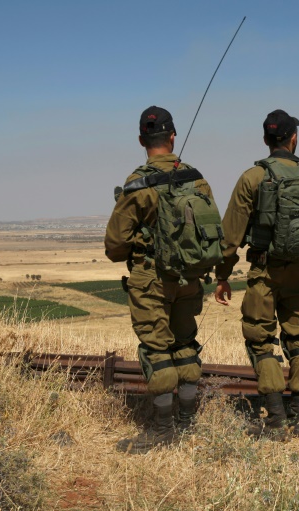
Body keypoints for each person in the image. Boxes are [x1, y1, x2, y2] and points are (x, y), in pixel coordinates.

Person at [214, 109, 299, 439]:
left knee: (261, 341)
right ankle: (298, 418)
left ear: (266, 140)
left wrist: (222, 276)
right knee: (298, 340)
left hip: (265, 272)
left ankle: (277, 419)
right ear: (294, 139)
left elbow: (231, 235)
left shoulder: (253, 178)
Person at [105, 106, 215, 454]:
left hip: (151, 279)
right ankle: (187, 420)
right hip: (189, 278)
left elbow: (114, 246)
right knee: (185, 343)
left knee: (157, 349)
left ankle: (163, 430)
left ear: (141, 140)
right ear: (173, 137)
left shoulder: (137, 184)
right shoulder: (196, 179)